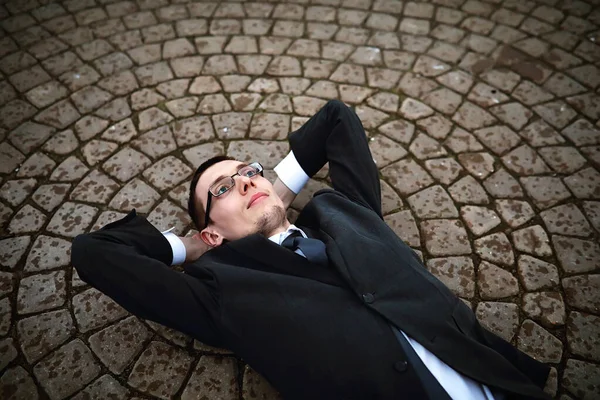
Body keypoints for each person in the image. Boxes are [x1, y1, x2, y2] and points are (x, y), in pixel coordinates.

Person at [72, 100, 551, 400]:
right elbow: (95, 253)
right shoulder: (221, 294)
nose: (243, 182)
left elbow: (336, 119)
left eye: (248, 171)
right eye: (222, 189)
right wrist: (192, 245)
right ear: (213, 232)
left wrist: (272, 191)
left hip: (494, 381)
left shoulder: (345, 210)